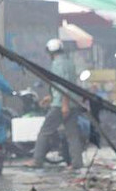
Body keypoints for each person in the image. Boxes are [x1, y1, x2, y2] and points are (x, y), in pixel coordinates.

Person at [33, 38, 85, 169]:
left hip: (61, 105)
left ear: (50, 52)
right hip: (72, 103)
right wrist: (50, 97)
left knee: (44, 132)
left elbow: (63, 85)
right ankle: (77, 163)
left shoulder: (58, 63)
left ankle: (37, 160)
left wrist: (64, 104)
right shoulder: (69, 63)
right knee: (72, 135)